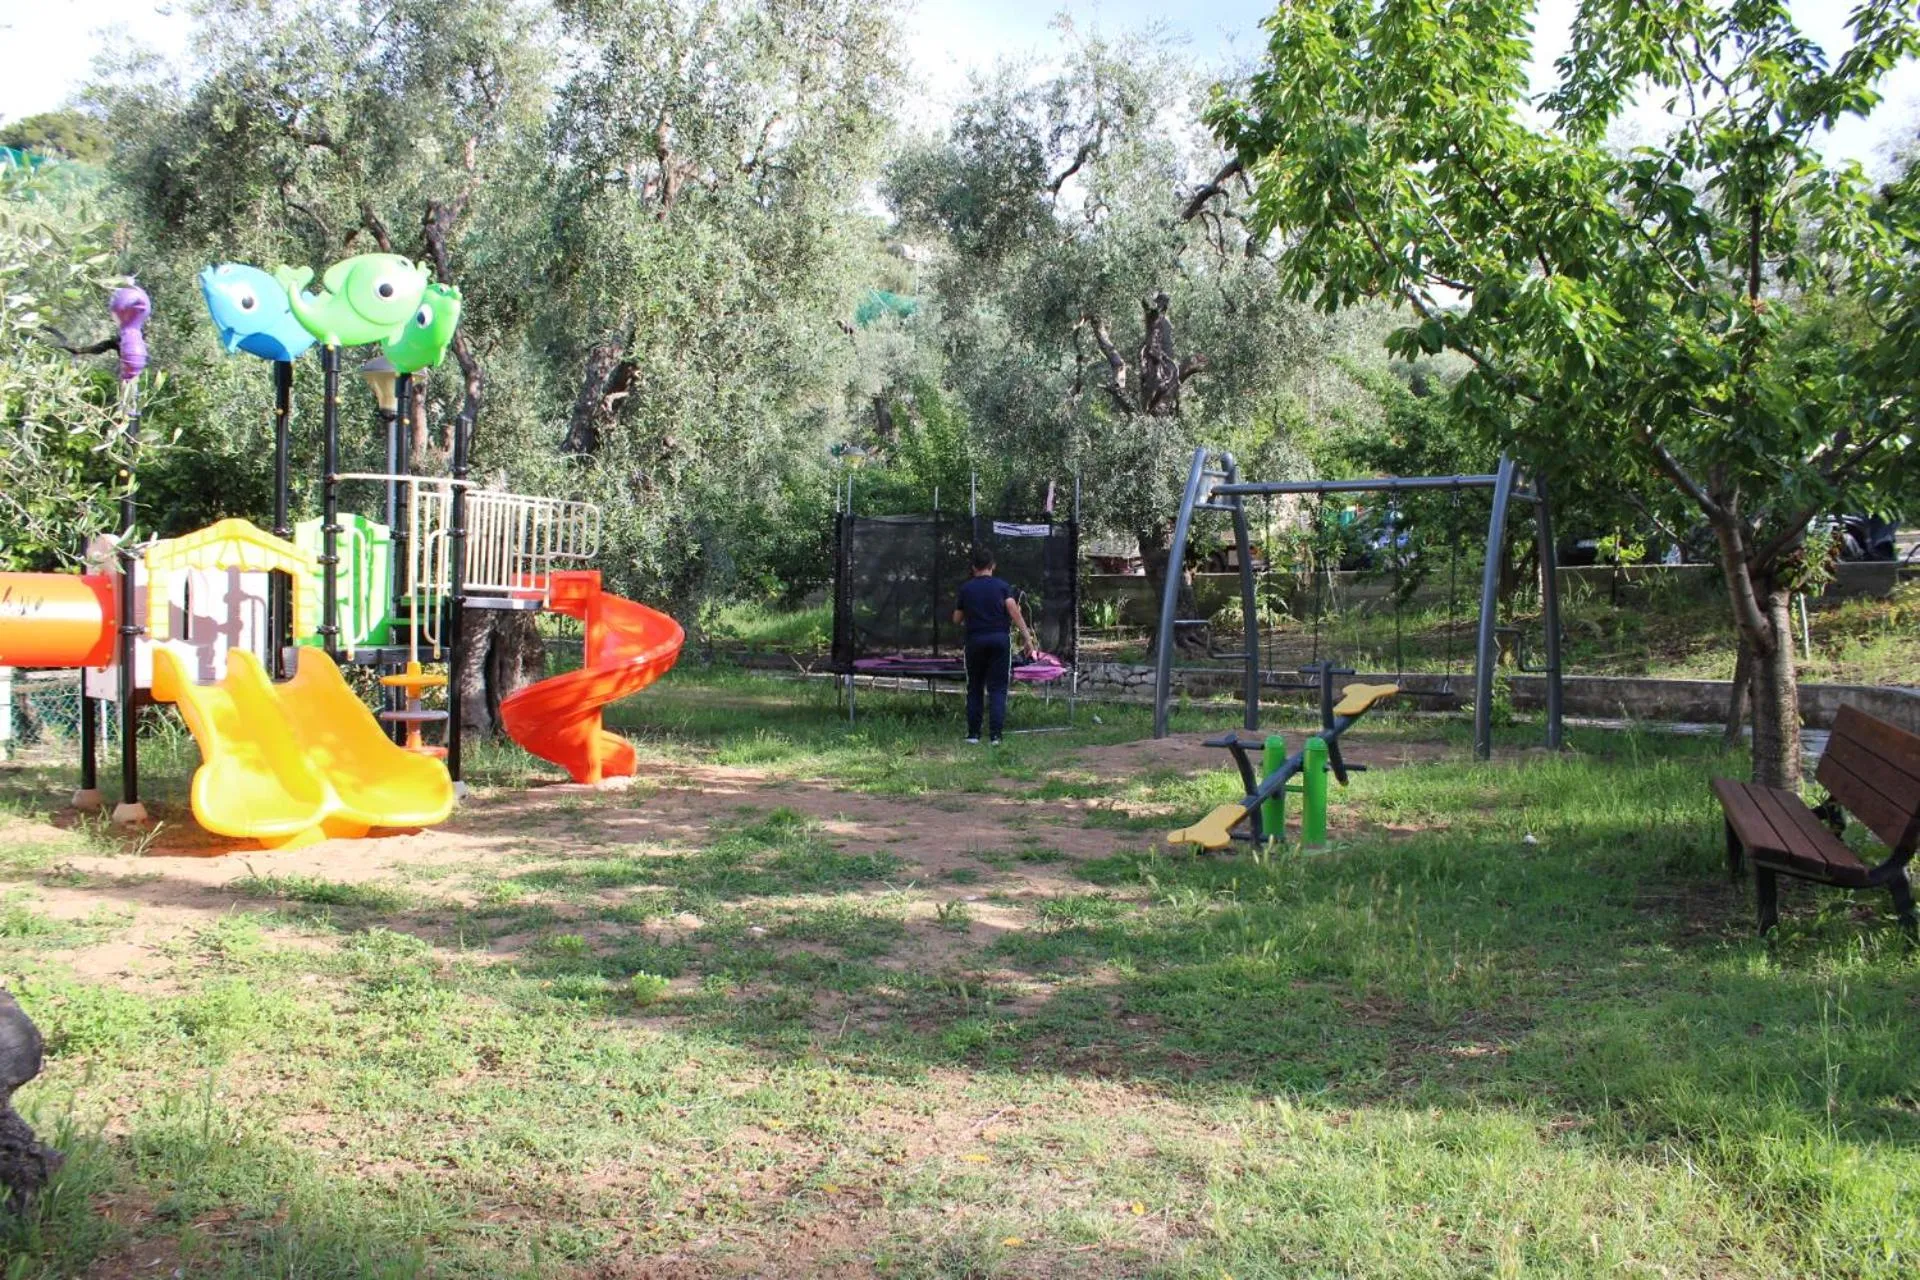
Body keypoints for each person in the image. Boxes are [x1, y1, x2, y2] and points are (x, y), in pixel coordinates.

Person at [952, 546, 1038, 745]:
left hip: (975, 641)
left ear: (974, 567)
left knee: (974, 687)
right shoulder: (1002, 586)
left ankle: (973, 735)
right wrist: (1028, 639)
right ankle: (995, 736)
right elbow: (1014, 612)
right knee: (998, 688)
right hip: (999, 640)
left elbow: (956, 618)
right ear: (993, 566)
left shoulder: (966, 589)